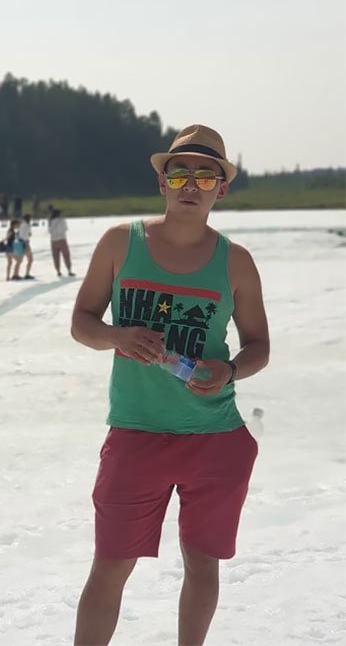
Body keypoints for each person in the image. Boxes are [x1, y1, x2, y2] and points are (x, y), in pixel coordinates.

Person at [71, 124, 269, 646]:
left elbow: (258, 346)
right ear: (162, 181)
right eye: (179, 171)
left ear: (220, 190)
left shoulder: (237, 262)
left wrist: (229, 371)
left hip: (215, 438)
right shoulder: (121, 243)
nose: (190, 184)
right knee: (111, 566)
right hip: (136, 434)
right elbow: (82, 323)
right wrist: (117, 336)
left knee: (202, 565)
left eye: (205, 176)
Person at [48, 208, 75, 277]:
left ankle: (58, 271)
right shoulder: (62, 220)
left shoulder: (50, 221)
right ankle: (69, 270)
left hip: (53, 240)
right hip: (62, 239)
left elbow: (49, 231)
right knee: (66, 255)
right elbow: (65, 228)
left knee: (56, 257)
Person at [14, 214, 34, 280]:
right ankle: (27, 274)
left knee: (19, 260)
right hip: (25, 243)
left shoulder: (21, 224)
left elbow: (17, 234)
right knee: (30, 259)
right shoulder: (27, 225)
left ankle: (15, 274)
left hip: (19, 242)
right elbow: (29, 234)